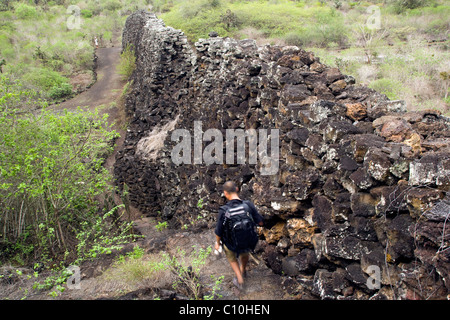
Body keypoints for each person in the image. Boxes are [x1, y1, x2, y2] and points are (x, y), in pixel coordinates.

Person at [215, 181, 264, 290]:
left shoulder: (224, 210)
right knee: (244, 250)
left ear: (225, 193)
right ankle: (243, 269)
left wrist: (218, 244)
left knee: (230, 254)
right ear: (237, 189)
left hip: (232, 243)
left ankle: (239, 277)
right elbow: (260, 222)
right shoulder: (248, 205)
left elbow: (218, 231)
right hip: (248, 241)